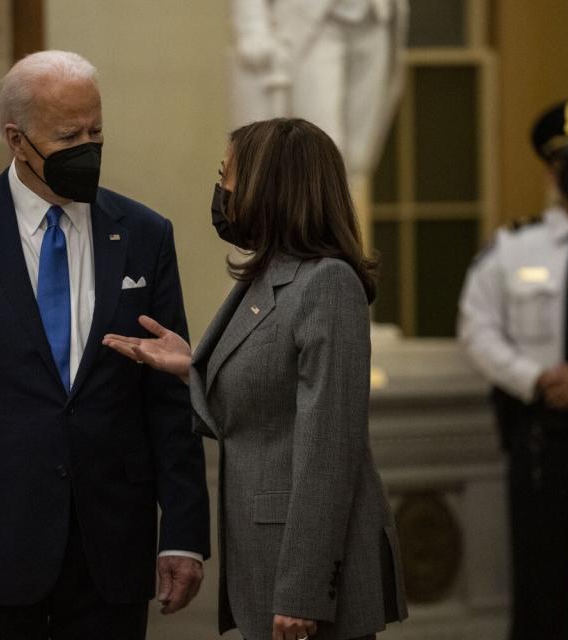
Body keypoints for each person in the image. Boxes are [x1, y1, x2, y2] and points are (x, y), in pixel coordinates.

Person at [0, 50, 210, 640]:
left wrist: (184, 533)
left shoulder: (143, 234)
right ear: (16, 139)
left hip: (111, 544)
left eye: (97, 129)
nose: (89, 146)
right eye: (69, 135)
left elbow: (169, 398)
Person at [104, 118, 407, 640]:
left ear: (272, 184)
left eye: (229, 176)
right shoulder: (271, 275)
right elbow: (259, 414)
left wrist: (303, 591)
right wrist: (191, 367)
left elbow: (327, 453)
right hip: (263, 560)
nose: (221, 191)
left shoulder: (328, 282)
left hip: (306, 578)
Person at [457, 99, 568, 640]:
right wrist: (536, 379)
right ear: (551, 170)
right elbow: (477, 327)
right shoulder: (512, 246)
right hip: (538, 434)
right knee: (538, 576)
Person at [230, 0, 409, 175]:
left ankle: (335, 202)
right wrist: (251, 25)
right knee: (320, 146)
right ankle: (315, 201)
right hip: (313, 23)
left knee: (358, 153)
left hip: (375, 17)